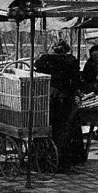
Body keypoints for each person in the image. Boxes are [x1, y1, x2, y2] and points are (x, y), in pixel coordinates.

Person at [34, 39, 85, 171]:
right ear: (66, 49)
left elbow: (37, 68)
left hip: (48, 98)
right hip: (66, 100)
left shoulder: (45, 59)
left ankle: (42, 157)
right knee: (66, 130)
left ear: (54, 49)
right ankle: (64, 161)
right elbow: (75, 81)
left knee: (45, 126)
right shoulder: (71, 61)